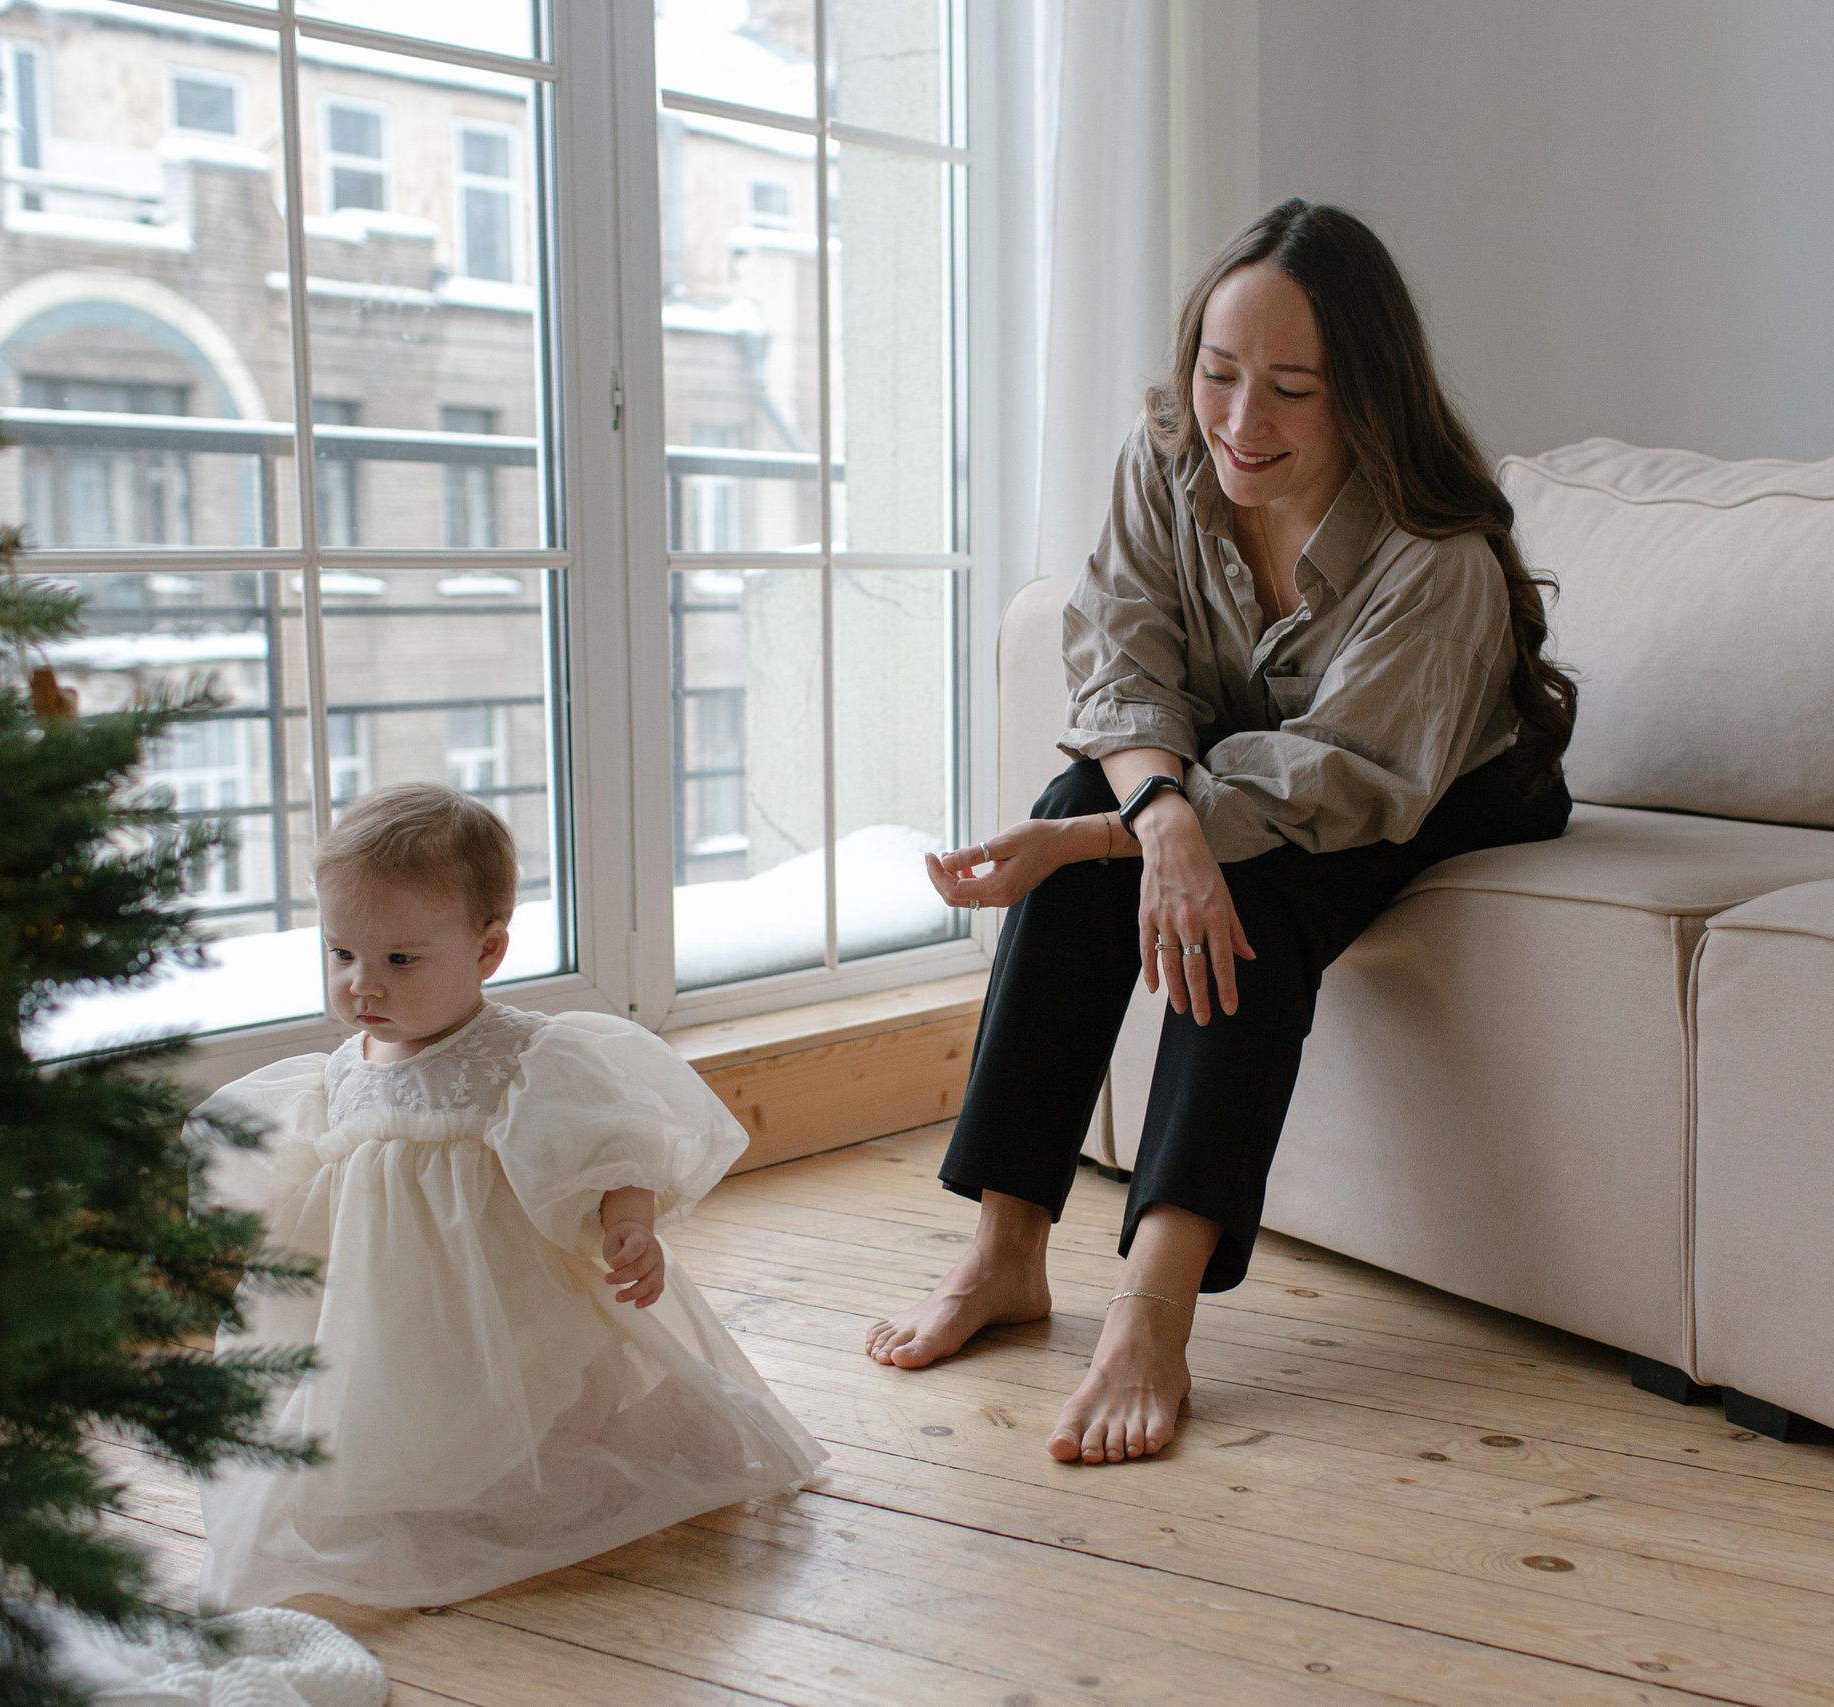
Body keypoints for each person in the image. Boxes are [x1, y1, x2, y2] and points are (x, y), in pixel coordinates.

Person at [869, 198, 1579, 1467]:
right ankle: (1003, 1254)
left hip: (1427, 776)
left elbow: (1341, 775)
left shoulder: (1439, 553)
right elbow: (1121, 656)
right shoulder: (1165, 457)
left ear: (1365, 394)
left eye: (1293, 390)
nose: (1242, 421)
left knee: (1244, 899)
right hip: (1237, 758)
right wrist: (1149, 819)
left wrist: (1143, 840)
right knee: (1075, 809)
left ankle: (1152, 1314)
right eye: (1219, 373)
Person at [192, 784, 826, 1611]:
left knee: (543, 1462)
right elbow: (316, 1197)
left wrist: (630, 1223)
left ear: (486, 950)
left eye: (400, 960)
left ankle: (663, 1422)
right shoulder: (340, 1073)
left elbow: (611, 1144)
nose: (363, 985)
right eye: (341, 953)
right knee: (396, 1469)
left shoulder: (522, 1059)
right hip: (391, 1317)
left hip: (508, 1307)